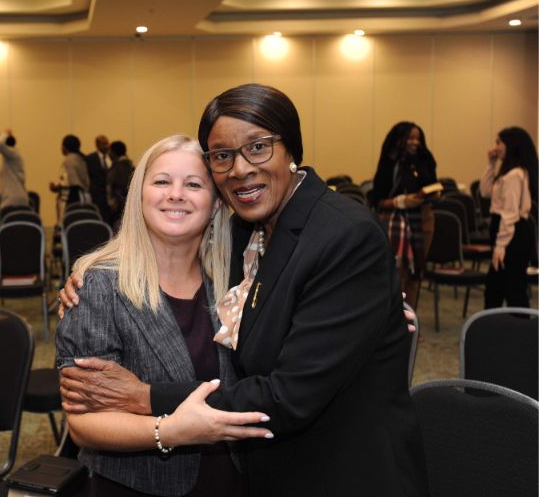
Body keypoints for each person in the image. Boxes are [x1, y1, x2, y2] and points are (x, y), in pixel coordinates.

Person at [59, 83, 428, 496]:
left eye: (258, 147)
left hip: (340, 472)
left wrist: (145, 397)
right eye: (222, 156)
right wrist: (86, 273)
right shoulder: (243, 241)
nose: (239, 168)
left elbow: (288, 395)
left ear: (291, 149)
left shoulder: (342, 234)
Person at [57, 135, 271, 496]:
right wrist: (168, 431)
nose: (176, 194)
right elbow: (84, 423)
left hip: (231, 479)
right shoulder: (97, 286)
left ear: (216, 204)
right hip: (137, 487)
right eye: (161, 181)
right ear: (139, 196)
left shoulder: (236, 281)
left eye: (193, 184)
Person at [371, 122, 438, 309]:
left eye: (418, 138)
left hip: (422, 220)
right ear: (400, 140)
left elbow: (431, 184)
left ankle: (411, 316)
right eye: (410, 138)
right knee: (397, 274)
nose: (415, 142)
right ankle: (395, 318)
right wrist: (401, 201)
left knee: (416, 272)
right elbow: (378, 200)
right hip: (395, 221)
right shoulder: (389, 161)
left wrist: (432, 194)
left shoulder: (425, 158)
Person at [480, 126, 537, 308]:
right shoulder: (508, 172)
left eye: (499, 142)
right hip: (507, 232)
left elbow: (510, 215)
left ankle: (518, 325)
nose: (495, 147)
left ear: (510, 145)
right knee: (497, 287)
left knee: (511, 288)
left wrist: (500, 246)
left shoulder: (514, 175)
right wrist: (491, 164)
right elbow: (485, 191)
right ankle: (495, 323)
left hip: (512, 234)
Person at [50, 135, 90, 221]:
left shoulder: (69, 160)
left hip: (71, 197)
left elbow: (67, 182)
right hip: (82, 195)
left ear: (65, 147)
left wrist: (55, 186)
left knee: (68, 222)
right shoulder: (80, 158)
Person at [0, 129, 29, 211]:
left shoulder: (13, 154)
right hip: (15, 197)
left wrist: (5, 133)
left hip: (13, 200)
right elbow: (12, 177)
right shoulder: (11, 157)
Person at [106, 140, 134, 229]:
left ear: (113, 152)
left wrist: (113, 203)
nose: (108, 154)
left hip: (119, 207)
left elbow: (120, 186)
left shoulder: (120, 166)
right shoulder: (129, 165)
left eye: (110, 151)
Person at [85, 135, 112, 222]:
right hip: (97, 195)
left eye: (107, 143)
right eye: (103, 144)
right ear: (97, 145)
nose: (106, 146)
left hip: (111, 195)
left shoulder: (112, 156)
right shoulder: (90, 158)